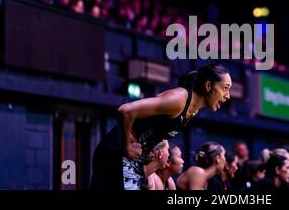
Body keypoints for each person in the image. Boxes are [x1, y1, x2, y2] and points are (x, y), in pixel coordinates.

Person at [90, 64, 232, 189]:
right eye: (225, 88)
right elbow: (126, 111)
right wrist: (127, 147)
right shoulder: (179, 99)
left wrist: (149, 148)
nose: (228, 96)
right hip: (115, 153)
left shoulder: (192, 111)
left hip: (129, 159)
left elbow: (150, 128)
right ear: (208, 86)